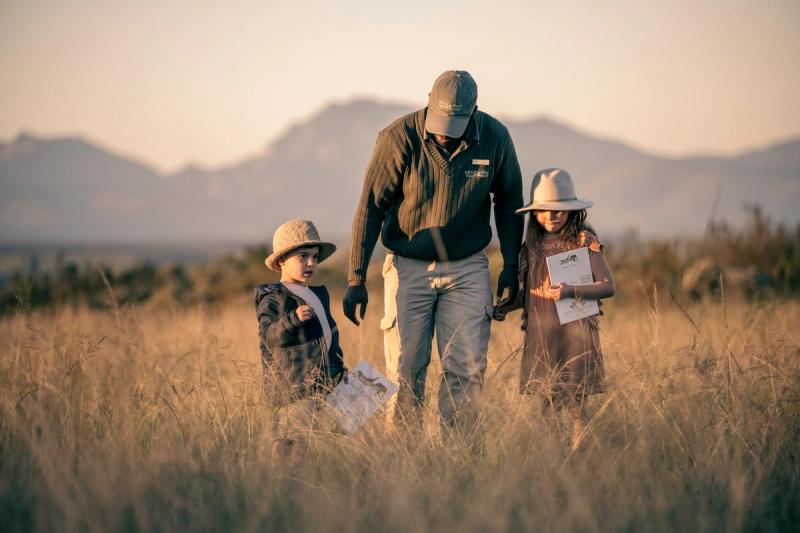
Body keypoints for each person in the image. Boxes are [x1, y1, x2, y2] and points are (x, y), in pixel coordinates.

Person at [343, 70, 524, 429]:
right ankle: (403, 458)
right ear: (428, 100)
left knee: (467, 367)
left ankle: (456, 458)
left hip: (468, 265)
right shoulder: (397, 138)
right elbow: (371, 207)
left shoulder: (495, 137)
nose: (445, 130)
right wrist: (356, 276)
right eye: (441, 121)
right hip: (409, 265)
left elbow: (508, 202)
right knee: (406, 367)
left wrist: (510, 265)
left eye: (456, 122)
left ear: (474, 111)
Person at [494, 168, 615, 450]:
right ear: (534, 213)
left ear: (573, 211)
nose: (552, 216)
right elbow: (528, 293)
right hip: (542, 333)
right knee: (547, 402)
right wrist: (506, 307)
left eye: (560, 210)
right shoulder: (530, 249)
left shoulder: (585, 241)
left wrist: (571, 291)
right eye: (545, 210)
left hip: (576, 334)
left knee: (576, 404)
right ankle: (552, 458)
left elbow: (608, 286)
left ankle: (578, 456)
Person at [255, 219, 346, 472]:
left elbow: (327, 339)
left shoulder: (317, 294)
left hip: (323, 384)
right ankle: (284, 493)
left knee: (320, 446)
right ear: (281, 261)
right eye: (303, 256)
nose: (311, 263)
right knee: (292, 450)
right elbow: (268, 336)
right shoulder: (273, 296)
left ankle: (313, 488)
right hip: (294, 388)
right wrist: (292, 320)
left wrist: (339, 372)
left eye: (315, 258)